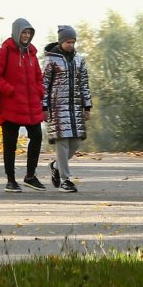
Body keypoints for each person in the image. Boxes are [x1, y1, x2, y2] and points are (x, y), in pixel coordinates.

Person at [0, 17, 46, 191]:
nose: (26, 36)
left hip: (31, 105)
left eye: (29, 33)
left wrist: (39, 91)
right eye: (24, 32)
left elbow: (38, 77)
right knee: (10, 144)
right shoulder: (4, 52)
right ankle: (11, 179)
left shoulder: (32, 54)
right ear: (16, 32)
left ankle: (30, 176)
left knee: (37, 137)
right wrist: (10, 90)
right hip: (11, 105)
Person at [41, 24, 92, 192]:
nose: (71, 45)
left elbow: (84, 83)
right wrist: (44, 106)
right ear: (61, 41)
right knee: (62, 144)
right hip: (57, 107)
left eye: (73, 42)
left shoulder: (79, 60)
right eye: (68, 41)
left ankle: (56, 166)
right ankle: (65, 180)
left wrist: (87, 106)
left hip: (76, 107)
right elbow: (45, 84)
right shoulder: (51, 59)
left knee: (76, 142)